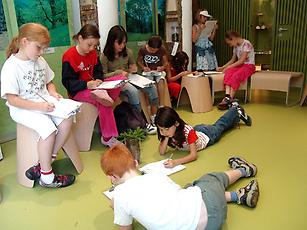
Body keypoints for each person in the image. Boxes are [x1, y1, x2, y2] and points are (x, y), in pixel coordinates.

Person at [100, 144, 259, 230]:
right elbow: (179, 192)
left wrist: (117, 207)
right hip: (213, 208)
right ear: (135, 164)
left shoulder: (120, 196)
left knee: (193, 187)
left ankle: (238, 196)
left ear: (111, 177)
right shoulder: (156, 176)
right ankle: (244, 170)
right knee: (207, 180)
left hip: (210, 226)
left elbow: (125, 228)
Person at [1, 23, 75, 188]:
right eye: (39, 48)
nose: (41, 52)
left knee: (67, 119)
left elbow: (49, 82)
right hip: (22, 108)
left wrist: (53, 92)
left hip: (44, 103)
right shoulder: (11, 67)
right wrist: (40, 107)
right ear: (25, 42)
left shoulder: (39, 60)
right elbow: (13, 100)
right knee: (49, 130)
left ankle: (46, 162)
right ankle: (47, 177)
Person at [62, 24, 122, 147]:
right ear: (80, 39)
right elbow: (67, 83)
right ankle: (107, 137)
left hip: (95, 87)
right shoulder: (69, 56)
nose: (91, 48)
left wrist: (99, 80)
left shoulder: (93, 54)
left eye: (94, 45)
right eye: (89, 45)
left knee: (121, 79)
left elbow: (98, 71)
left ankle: (104, 96)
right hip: (79, 92)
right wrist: (86, 85)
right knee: (103, 101)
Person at [155, 103, 252, 168]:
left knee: (221, 125)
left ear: (176, 123)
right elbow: (162, 152)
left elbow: (193, 155)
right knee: (224, 126)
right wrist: (166, 136)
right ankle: (235, 119)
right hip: (197, 130)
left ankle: (236, 110)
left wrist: (175, 162)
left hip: (207, 135)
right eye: (160, 129)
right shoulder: (167, 133)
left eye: (166, 129)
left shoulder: (187, 132)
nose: (163, 132)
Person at [101, 25, 157, 134]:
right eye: (119, 43)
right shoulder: (105, 56)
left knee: (152, 87)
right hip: (116, 81)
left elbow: (132, 66)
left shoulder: (128, 52)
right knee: (133, 92)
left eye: (124, 43)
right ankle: (141, 122)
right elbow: (103, 76)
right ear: (112, 41)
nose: (122, 46)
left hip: (130, 77)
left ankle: (154, 116)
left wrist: (134, 68)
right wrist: (118, 73)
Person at [216, 30, 256, 110]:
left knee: (235, 76)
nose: (230, 45)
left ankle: (230, 99)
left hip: (249, 66)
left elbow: (242, 60)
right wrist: (223, 67)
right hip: (240, 65)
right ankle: (227, 97)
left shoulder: (246, 44)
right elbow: (232, 60)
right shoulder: (236, 46)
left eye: (230, 43)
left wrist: (229, 67)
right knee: (228, 72)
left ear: (233, 38)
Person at [137, 35, 168, 110]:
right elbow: (138, 61)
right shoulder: (143, 50)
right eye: (151, 50)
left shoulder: (162, 49)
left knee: (160, 80)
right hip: (147, 71)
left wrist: (162, 67)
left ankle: (161, 105)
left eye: (155, 51)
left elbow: (166, 62)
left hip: (158, 71)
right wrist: (143, 67)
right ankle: (149, 106)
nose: (153, 52)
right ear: (148, 45)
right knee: (148, 82)